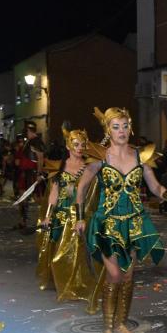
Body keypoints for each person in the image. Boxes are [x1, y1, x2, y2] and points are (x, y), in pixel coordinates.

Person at [75, 107, 167, 333]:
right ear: (108, 129)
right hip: (106, 223)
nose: (122, 131)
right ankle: (108, 326)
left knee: (128, 276)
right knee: (115, 274)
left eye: (125, 126)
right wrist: (80, 217)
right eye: (116, 127)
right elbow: (80, 188)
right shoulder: (100, 156)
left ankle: (121, 323)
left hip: (134, 222)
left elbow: (156, 188)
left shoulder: (141, 156)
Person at [36, 127, 102, 312]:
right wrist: (48, 215)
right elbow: (54, 194)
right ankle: (65, 283)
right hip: (63, 216)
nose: (79, 148)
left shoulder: (91, 166)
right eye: (75, 144)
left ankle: (78, 284)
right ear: (68, 145)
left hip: (83, 216)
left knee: (81, 253)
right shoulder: (58, 166)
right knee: (62, 253)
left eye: (83, 144)